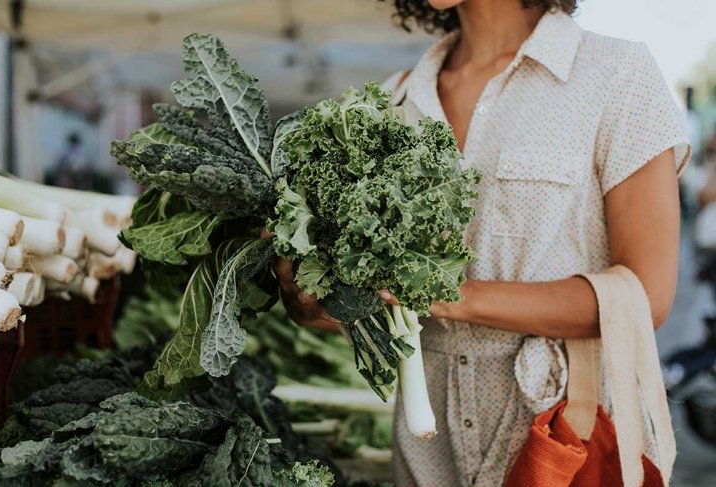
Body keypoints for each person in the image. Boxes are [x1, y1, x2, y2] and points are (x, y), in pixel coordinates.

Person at [276, 1, 691, 485]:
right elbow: (367, 308)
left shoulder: (616, 75)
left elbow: (645, 297)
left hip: (566, 442)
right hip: (428, 458)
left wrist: (450, 296)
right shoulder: (393, 100)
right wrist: (313, 301)